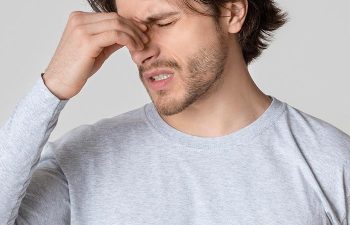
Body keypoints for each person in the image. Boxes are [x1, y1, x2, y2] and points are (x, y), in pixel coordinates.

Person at [1, 0, 349, 224]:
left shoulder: (329, 163)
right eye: (129, 31)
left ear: (231, 12)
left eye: (163, 22)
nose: (140, 51)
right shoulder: (81, 161)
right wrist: (52, 87)